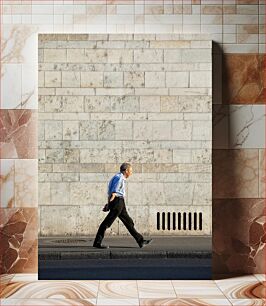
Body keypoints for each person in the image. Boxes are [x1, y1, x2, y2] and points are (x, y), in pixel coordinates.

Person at [93, 162, 152, 249]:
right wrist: (109, 205)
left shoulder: (117, 177)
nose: (131, 173)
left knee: (129, 222)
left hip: (119, 202)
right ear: (126, 170)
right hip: (118, 202)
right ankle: (97, 242)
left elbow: (111, 192)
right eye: (130, 171)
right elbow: (114, 192)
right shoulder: (120, 178)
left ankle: (140, 241)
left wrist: (109, 204)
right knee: (106, 223)